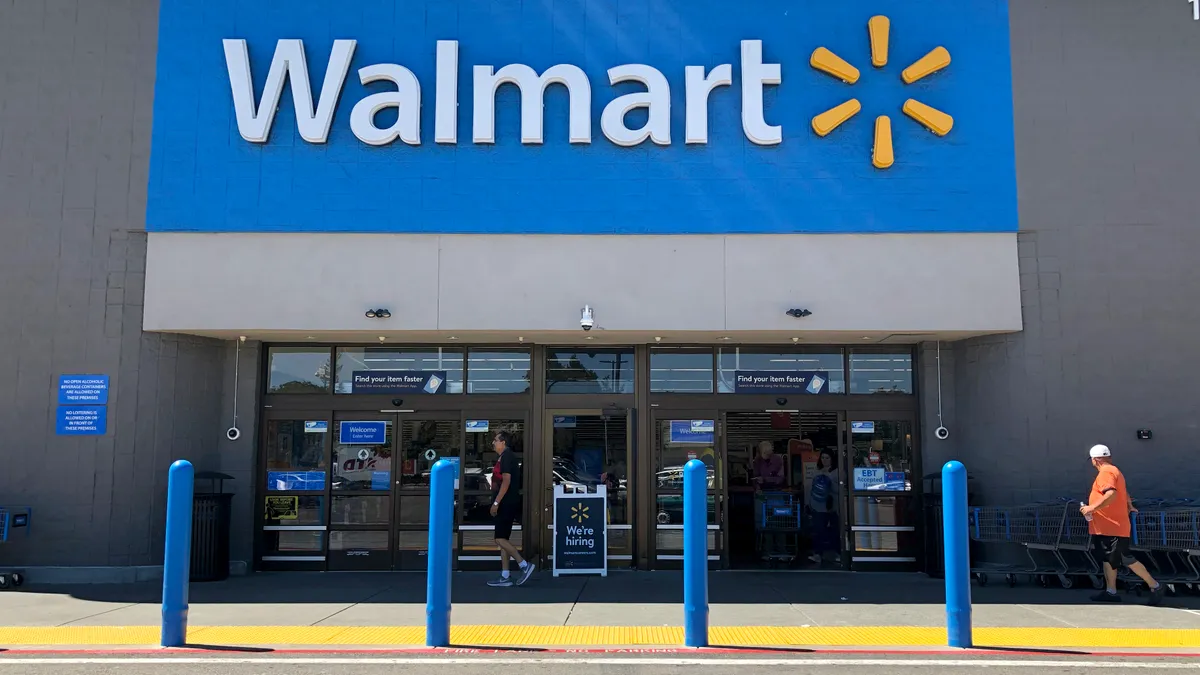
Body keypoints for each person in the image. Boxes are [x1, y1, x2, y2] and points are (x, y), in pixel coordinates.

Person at [1079, 444, 1162, 605]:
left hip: (1112, 526)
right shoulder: (1115, 471)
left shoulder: (1105, 473)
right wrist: (1129, 505)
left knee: (1124, 558)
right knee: (1108, 558)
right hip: (1107, 526)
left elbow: (1111, 493)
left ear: (1095, 460)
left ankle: (1155, 585)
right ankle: (1111, 591)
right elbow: (1123, 492)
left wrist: (1091, 507)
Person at [487, 430, 535, 587]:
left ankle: (524, 565)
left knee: (498, 538)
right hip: (506, 502)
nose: (493, 443)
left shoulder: (507, 457)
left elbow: (506, 481)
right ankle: (505, 576)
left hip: (506, 503)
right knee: (503, 540)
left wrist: (496, 503)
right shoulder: (504, 457)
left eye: (495, 440)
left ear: (503, 442)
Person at [808, 449, 841, 565]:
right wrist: (809, 504)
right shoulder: (816, 472)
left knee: (835, 530)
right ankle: (817, 554)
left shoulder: (838, 472)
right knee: (818, 530)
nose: (825, 460)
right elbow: (812, 489)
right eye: (823, 458)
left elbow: (841, 489)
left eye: (827, 458)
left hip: (833, 505)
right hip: (818, 505)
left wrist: (829, 481)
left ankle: (838, 553)